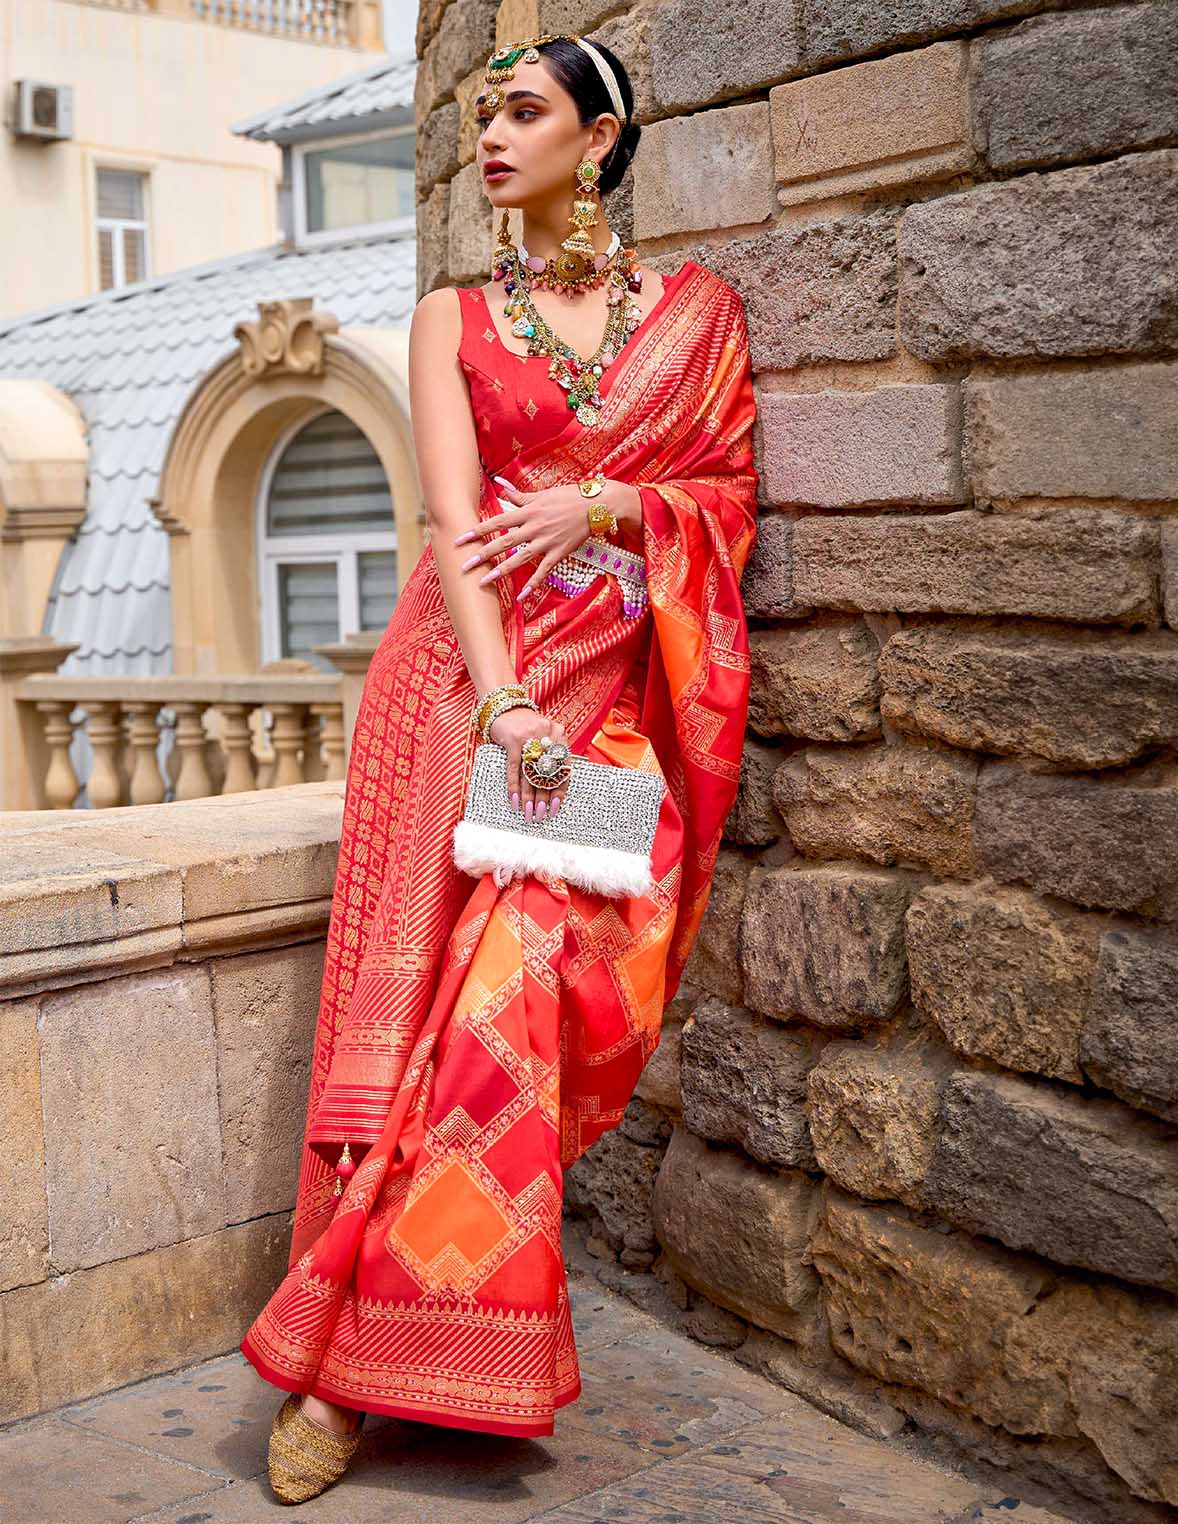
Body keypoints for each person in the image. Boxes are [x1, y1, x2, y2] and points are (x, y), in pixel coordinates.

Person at [240, 30, 758, 1505]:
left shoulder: (698, 318)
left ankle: (383, 1347)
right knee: (410, 1030)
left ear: (600, 138)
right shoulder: (451, 316)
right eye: (480, 113)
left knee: (515, 992)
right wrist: (506, 703)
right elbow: (456, 531)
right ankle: (344, 1369)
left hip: (618, 699)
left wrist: (603, 505)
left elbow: (723, 499)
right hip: (465, 694)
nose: (489, 137)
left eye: (523, 111)